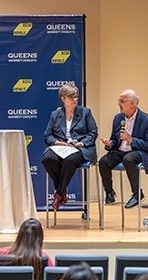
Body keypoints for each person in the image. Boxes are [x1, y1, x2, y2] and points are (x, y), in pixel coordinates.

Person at [42, 84, 98, 219]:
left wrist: (81, 143)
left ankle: (59, 192)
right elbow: (47, 136)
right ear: (63, 99)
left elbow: (93, 133)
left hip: (80, 149)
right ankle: (62, 190)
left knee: (70, 160)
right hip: (61, 147)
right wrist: (59, 143)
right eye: (71, 97)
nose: (75, 100)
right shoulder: (55, 115)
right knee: (47, 159)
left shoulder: (85, 112)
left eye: (76, 97)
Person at [99, 89, 148, 208]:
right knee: (103, 162)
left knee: (128, 159)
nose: (118, 104)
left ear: (131, 103)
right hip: (120, 151)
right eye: (119, 101)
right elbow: (115, 139)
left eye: (121, 101)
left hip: (139, 152)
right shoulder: (118, 118)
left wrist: (131, 140)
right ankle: (109, 192)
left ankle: (137, 194)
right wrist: (110, 144)